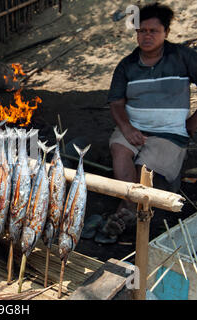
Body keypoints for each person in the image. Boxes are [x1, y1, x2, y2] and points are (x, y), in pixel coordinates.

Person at [97, 2, 197, 243]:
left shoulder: (183, 57)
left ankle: (126, 211)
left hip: (170, 133)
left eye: (154, 31)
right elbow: (116, 103)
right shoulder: (127, 64)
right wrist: (127, 127)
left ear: (166, 33)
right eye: (142, 31)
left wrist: (193, 123)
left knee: (145, 171)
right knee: (120, 150)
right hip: (134, 127)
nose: (147, 35)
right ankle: (130, 210)